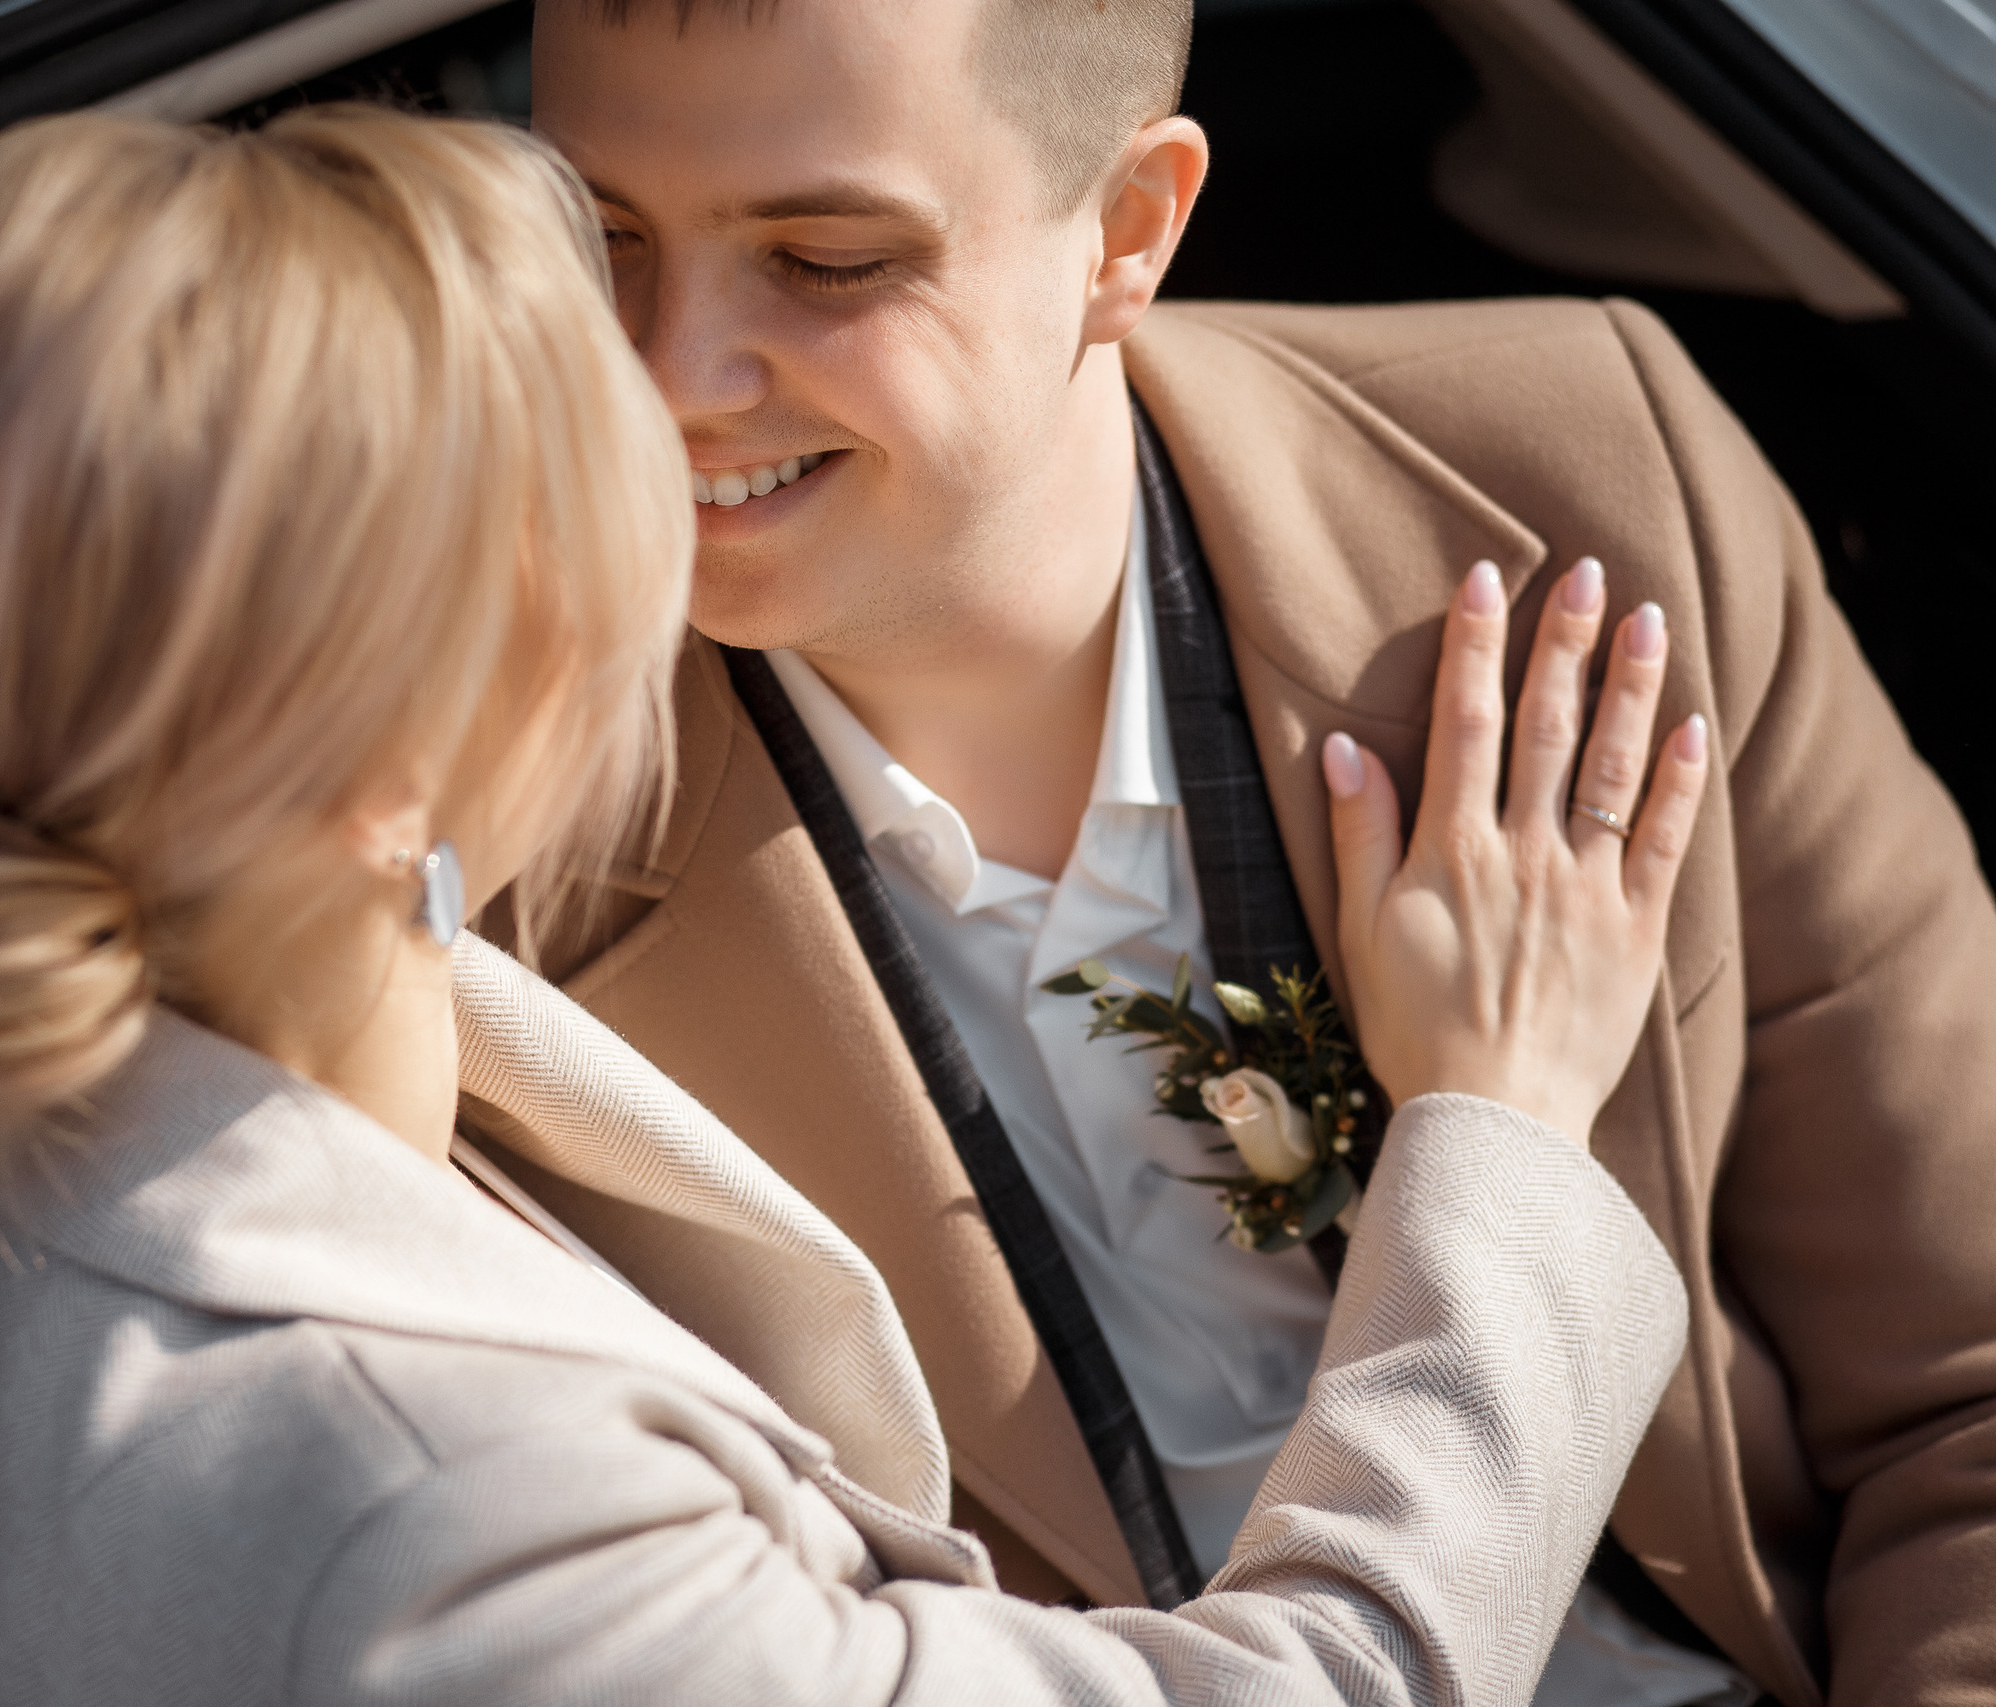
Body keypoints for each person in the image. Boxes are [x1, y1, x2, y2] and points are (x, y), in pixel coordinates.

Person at [0, 104, 1706, 1705]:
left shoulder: (8, 959)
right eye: (593, 525)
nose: (681, 409)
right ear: (383, 756)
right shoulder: (459, 1513)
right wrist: (1503, 1127)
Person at [492, 3, 1996, 1705]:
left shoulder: (1587, 484)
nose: (667, 374)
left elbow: (1970, 1394)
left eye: (826, 260)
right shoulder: (449, 845)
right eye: (595, 234)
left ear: (1129, 231)